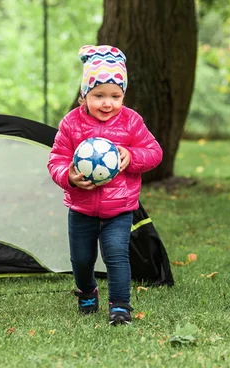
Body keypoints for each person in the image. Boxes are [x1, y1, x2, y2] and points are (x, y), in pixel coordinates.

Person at [47, 45, 163, 325]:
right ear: (84, 95)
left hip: (119, 208)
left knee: (116, 255)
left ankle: (120, 306)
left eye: (115, 96)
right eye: (99, 95)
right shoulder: (71, 124)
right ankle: (87, 292)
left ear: (123, 95)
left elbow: (155, 152)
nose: (107, 103)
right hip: (82, 207)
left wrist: (132, 155)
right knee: (83, 259)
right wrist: (68, 177)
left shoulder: (131, 122)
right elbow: (57, 159)